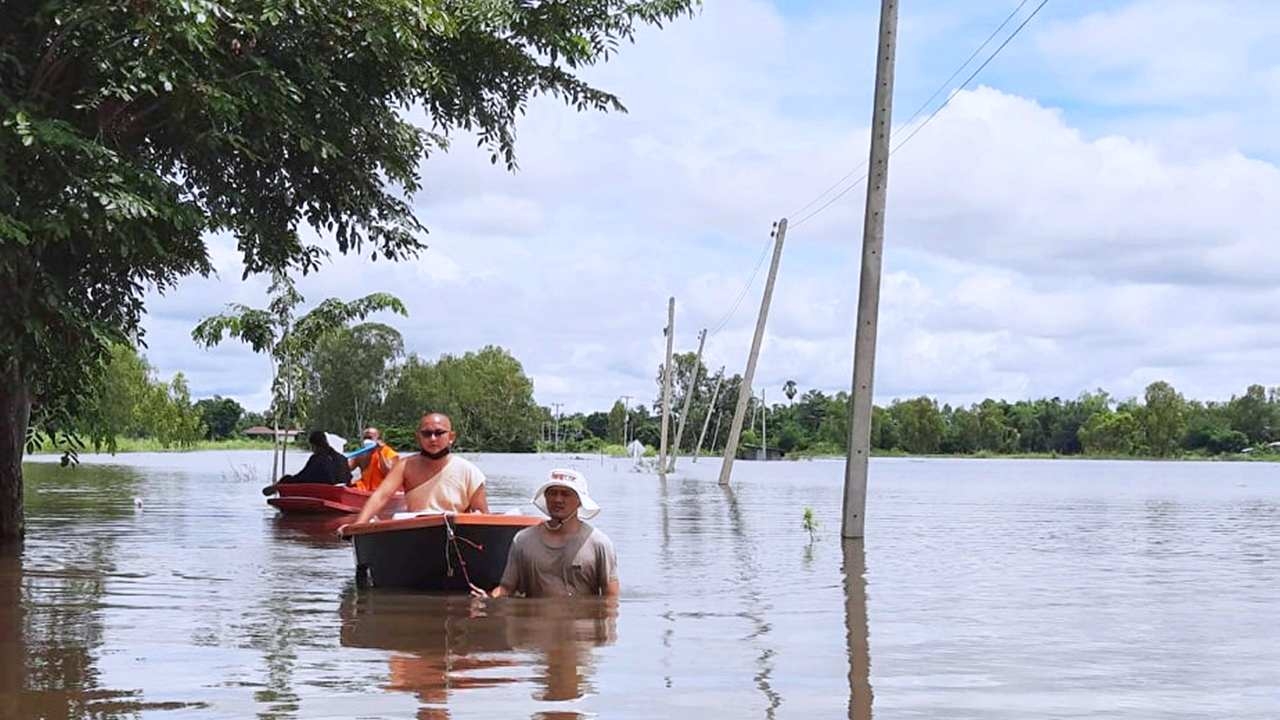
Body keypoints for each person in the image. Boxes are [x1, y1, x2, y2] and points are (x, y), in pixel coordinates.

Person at [485, 469, 619, 598]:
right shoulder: (523, 540)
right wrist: (486, 600)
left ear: (580, 501)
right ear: (546, 497)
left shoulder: (598, 544)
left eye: (565, 494)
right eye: (553, 493)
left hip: (581, 620)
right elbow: (506, 588)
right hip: (536, 619)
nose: (558, 499)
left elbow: (611, 598)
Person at [346, 412, 489, 525]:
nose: (433, 439)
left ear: (451, 437)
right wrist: (358, 524)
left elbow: (482, 514)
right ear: (418, 437)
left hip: (456, 533)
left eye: (439, 433)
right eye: (427, 434)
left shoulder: (469, 471)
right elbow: (380, 496)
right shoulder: (405, 466)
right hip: (415, 531)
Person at [262, 430, 352, 495]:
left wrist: (285, 481)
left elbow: (303, 476)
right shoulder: (342, 458)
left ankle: (276, 487)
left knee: (287, 478)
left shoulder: (317, 458)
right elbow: (348, 478)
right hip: (339, 488)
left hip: (323, 489)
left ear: (314, 446)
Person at [350, 426, 399, 492]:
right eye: (365, 438)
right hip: (364, 488)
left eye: (370, 438)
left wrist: (380, 452)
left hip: (382, 489)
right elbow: (348, 467)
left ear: (379, 439)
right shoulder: (361, 453)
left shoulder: (389, 452)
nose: (367, 440)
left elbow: (388, 473)